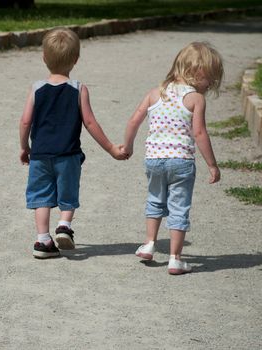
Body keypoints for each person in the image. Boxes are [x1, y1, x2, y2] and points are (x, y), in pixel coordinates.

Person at [19, 28, 127, 259]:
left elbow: (26, 120)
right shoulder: (79, 89)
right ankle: (64, 225)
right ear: (76, 60)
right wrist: (110, 148)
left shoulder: (36, 88)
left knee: (41, 196)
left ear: (44, 58)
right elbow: (89, 121)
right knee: (68, 193)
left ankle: (43, 240)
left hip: (40, 154)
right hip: (68, 154)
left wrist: (24, 147)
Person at [123, 42, 224, 274]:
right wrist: (212, 165)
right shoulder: (195, 99)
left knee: (155, 200)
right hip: (181, 162)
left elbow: (133, 121)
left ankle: (149, 244)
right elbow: (199, 133)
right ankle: (175, 258)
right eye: (210, 78)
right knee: (179, 208)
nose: (210, 84)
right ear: (198, 72)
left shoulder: (154, 93)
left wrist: (127, 147)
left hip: (154, 160)